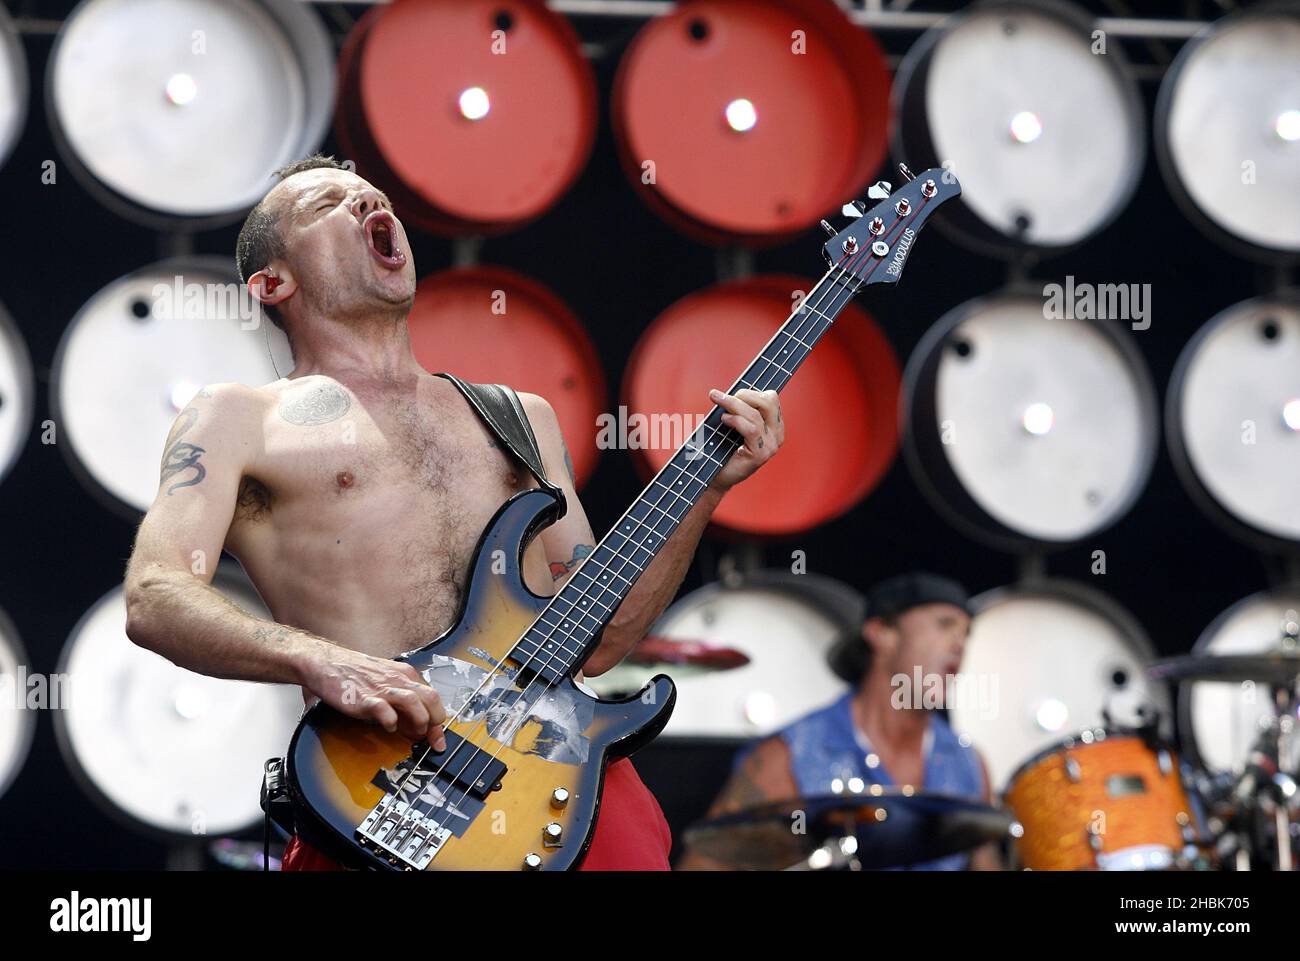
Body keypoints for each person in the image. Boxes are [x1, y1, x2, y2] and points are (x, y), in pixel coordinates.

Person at [122, 154, 785, 870]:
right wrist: (322, 660)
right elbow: (156, 596)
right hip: (382, 798)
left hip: (565, 788)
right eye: (327, 206)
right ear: (272, 282)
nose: (364, 205)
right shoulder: (237, 417)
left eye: (372, 197)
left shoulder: (520, 417)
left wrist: (706, 490)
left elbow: (599, 641)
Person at [679, 572, 1001, 870]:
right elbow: (706, 862)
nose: (960, 643)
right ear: (881, 633)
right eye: (945, 625)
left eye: (966, 632)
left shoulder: (969, 764)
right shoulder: (790, 754)